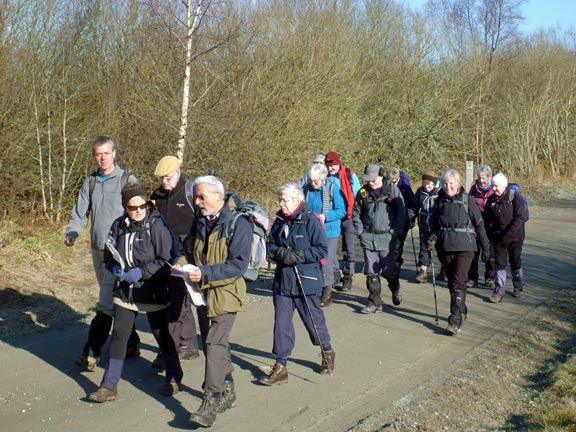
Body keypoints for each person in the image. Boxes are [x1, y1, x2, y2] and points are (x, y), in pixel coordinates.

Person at [87, 183, 183, 402]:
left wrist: (142, 272)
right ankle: (108, 386)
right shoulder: (118, 226)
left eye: (142, 205)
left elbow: (167, 261)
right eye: (133, 207)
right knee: (119, 335)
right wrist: (115, 269)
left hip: (153, 290)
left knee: (162, 336)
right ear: (125, 208)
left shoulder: (156, 226)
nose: (139, 210)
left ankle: (174, 377)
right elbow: (109, 255)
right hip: (125, 292)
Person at [177, 176, 252, 428]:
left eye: (202, 197)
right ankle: (228, 390)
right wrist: (179, 264)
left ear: (219, 197)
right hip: (203, 294)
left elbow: (239, 265)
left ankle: (211, 400)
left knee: (213, 343)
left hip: (227, 294)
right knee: (216, 346)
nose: (197, 202)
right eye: (196, 197)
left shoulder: (238, 224)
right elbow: (189, 250)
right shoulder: (200, 222)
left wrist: (205, 273)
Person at [64, 135, 140, 371]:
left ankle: (92, 350)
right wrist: (73, 232)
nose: (103, 157)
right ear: (94, 156)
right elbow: (80, 212)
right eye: (98, 153)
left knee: (107, 301)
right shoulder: (91, 182)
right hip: (98, 248)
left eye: (106, 152)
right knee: (116, 298)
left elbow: (140, 213)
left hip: (121, 252)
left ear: (114, 153)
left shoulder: (127, 180)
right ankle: (132, 343)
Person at [259, 182, 334, 386]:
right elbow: (271, 245)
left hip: (306, 280)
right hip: (283, 281)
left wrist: (299, 256)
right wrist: (281, 253)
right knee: (281, 324)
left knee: (312, 320)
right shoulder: (279, 221)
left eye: (285, 200)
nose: (281, 203)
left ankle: (327, 350)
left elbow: (321, 250)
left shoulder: (311, 221)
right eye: (280, 199)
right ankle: (281, 366)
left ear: (297, 200)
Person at [150, 156, 199, 369]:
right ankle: (188, 344)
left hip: (186, 253)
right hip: (164, 253)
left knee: (177, 299)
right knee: (179, 299)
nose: (164, 182)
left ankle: (170, 350)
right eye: (161, 178)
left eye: (168, 177)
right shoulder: (157, 196)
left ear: (178, 172)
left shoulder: (191, 191)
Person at [428, 169, 490, 336]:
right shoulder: (439, 202)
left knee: (458, 282)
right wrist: (431, 239)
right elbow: (435, 226)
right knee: (452, 284)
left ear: (458, 184)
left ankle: (455, 320)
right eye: (446, 183)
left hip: (466, 247)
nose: (448, 187)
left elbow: (479, 224)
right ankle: (461, 309)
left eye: (451, 183)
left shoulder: (467, 200)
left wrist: (485, 247)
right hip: (445, 246)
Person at [352, 164, 406, 314]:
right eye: (368, 179)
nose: (370, 182)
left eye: (373, 179)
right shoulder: (362, 193)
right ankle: (374, 302)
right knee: (371, 271)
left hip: (386, 238)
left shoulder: (392, 191)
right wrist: (360, 231)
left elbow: (401, 212)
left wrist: (395, 232)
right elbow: (355, 213)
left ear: (381, 176)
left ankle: (395, 289)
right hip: (368, 237)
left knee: (389, 271)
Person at [302, 163, 346, 307]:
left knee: (326, 262)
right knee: (312, 260)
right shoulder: (306, 190)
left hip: (330, 232)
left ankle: (327, 291)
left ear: (323, 178)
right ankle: (314, 288)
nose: (313, 183)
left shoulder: (333, 189)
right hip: (311, 231)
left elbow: (341, 211)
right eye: (310, 180)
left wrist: (324, 217)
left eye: (316, 180)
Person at [484, 173, 528, 303]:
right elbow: (487, 219)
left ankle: (518, 285)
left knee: (515, 261)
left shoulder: (516, 198)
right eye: (492, 186)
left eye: (496, 186)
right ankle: (499, 289)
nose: (494, 189)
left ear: (503, 186)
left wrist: (508, 236)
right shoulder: (491, 199)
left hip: (515, 237)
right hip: (498, 238)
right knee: (499, 264)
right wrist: (488, 234)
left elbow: (521, 218)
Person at [324, 151, 362, 291]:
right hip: (332, 216)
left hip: (348, 215)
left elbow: (358, 195)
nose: (330, 168)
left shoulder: (349, 174)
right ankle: (333, 273)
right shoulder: (324, 177)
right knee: (330, 248)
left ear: (338, 163)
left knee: (348, 248)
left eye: (333, 165)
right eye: (328, 166)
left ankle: (348, 277)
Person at [468, 164, 495, 288]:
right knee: (474, 252)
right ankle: (472, 278)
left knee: (490, 253)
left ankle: (489, 277)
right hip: (476, 225)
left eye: (484, 178)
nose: (481, 180)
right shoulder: (473, 190)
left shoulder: (494, 190)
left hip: (490, 226)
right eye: (479, 178)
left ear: (490, 177)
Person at [411, 170, 439, 284]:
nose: (426, 187)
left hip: (437, 224)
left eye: (429, 185)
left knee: (440, 247)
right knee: (424, 246)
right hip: (423, 223)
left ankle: (444, 269)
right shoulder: (420, 192)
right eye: (424, 184)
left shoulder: (440, 193)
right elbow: (414, 206)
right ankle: (423, 270)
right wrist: (411, 215)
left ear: (434, 184)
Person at [386, 167, 415, 271]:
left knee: (398, 243)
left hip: (403, 218)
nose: (392, 184)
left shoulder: (405, 187)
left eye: (394, 182)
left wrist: (411, 216)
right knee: (389, 242)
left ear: (398, 179)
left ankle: (396, 263)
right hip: (389, 218)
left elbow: (413, 203)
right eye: (390, 182)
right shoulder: (384, 186)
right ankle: (390, 262)